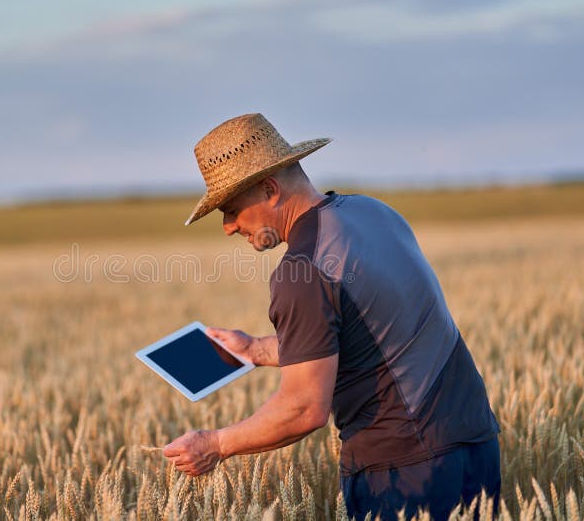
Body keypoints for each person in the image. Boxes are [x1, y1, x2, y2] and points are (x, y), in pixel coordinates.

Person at [161, 113, 502, 520]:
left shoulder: (302, 270)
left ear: (270, 189)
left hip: (404, 474)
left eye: (231, 209)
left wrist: (214, 444)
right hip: (477, 445)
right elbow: (372, 331)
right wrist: (254, 349)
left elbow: (304, 409)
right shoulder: (374, 213)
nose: (229, 227)